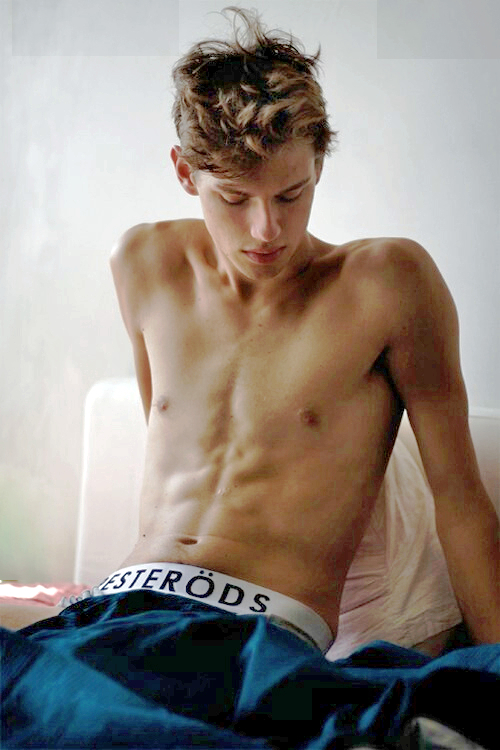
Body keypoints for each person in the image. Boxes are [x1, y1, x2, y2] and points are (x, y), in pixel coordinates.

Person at [1, 8, 499, 748]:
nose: (267, 230)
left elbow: (461, 503)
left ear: (318, 163)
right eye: (234, 199)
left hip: (254, 643)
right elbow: (176, 458)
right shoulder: (142, 263)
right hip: (108, 619)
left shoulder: (388, 282)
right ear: (185, 172)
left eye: (290, 195)